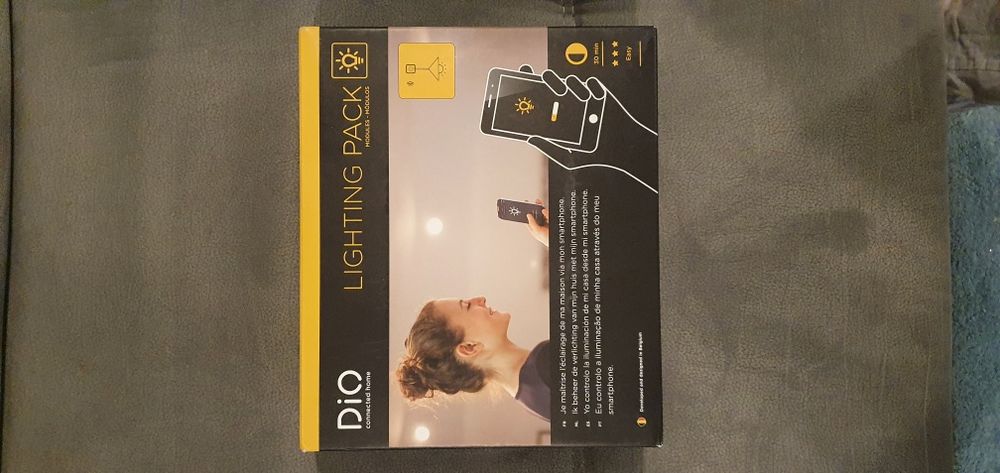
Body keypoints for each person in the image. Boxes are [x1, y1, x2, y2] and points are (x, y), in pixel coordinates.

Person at [395, 201, 552, 420]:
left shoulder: (531, 395)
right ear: (469, 347)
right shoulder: (544, 369)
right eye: (467, 306)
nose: (480, 299)